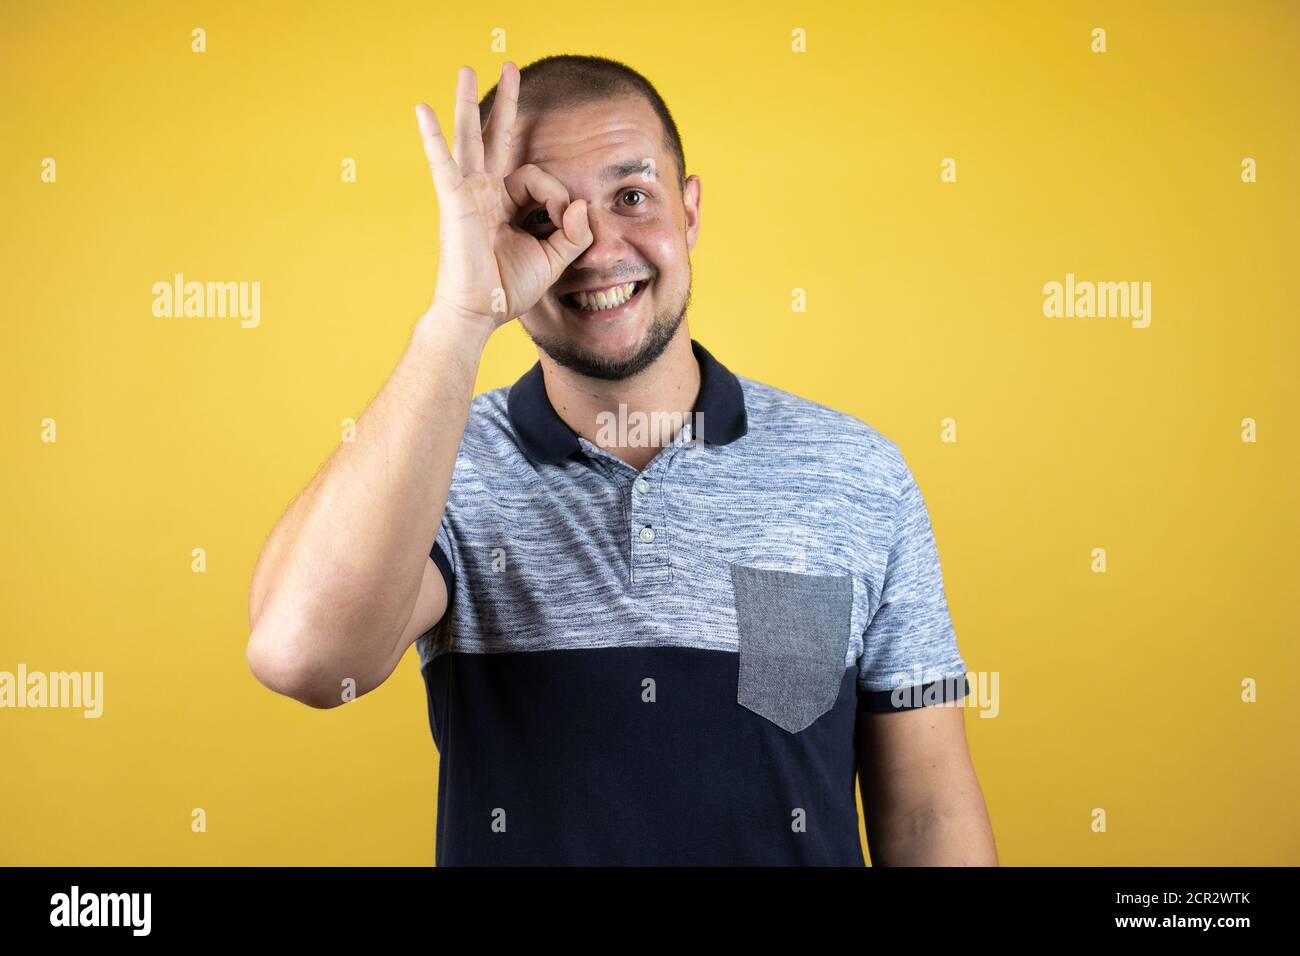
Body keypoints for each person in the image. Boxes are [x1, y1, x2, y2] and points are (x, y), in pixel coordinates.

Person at [246, 54, 997, 866]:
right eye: (543, 216)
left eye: (632, 197)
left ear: (692, 211)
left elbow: (928, 815)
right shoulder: (439, 470)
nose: (596, 249)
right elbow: (303, 658)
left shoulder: (856, 472)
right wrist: (459, 316)